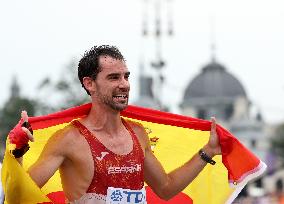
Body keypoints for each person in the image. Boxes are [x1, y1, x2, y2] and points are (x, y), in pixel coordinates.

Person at [8, 45, 221, 203]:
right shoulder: (69, 140)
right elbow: (19, 198)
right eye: (113, 77)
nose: (124, 85)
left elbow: (165, 188)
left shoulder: (137, 133)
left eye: (126, 76)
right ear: (89, 84)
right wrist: (17, 152)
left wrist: (208, 151)